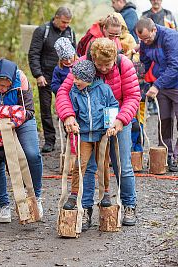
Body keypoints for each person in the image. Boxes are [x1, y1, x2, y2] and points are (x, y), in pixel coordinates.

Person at [56, 38, 141, 229]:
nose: (103, 69)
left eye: (107, 65)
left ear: (115, 59)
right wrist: (68, 116)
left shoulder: (124, 65)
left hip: (118, 118)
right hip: (89, 125)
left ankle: (129, 204)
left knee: (122, 164)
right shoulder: (82, 66)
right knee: (88, 166)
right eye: (99, 64)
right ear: (92, 58)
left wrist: (120, 120)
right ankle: (85, 208)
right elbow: (63, 93)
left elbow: (133, 96)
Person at [0, 58, 44, 218]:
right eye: (1, 86)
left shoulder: (21, 80)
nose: (4, 90)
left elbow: (29, 110)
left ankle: (35, 196)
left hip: (20, 120)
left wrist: (13, 123)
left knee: (31, 154)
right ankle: (4, 205)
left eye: (7, 86)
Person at [136, 17, 178, 172]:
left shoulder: (170, 37)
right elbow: (145, 63)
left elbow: (174, 67)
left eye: (147, 38)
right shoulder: (144, 42)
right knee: (164, 120)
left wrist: (156, 85)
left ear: (154, 30)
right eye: (142, 39)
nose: (145, 42)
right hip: (162, 81)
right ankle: (165, 154)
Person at [62, 60, 119, 215]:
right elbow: (72, 110)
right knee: (80, 164)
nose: (74, 81)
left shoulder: (104, 90)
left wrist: (111, 124)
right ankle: (74, 194)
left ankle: (105, 192)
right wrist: (71, 121)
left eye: (78, 78)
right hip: (85, 135)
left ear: (88, 79)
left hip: (102, 134)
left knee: (103, 163)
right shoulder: (74, 92)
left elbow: (113, 105)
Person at [28, 7, 76, 153]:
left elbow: (75, 53)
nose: (65, 25)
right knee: (46, 110)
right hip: (46, 77)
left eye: (68, 22)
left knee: (69, 107)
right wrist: (38, 74)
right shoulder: (42, 31)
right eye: (63, 22)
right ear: (56, 18)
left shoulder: (70, 33)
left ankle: (70, 137)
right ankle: (49, 140)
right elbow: (33, 54)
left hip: (67, 77)